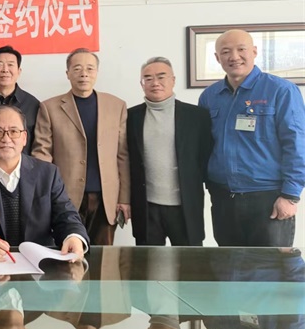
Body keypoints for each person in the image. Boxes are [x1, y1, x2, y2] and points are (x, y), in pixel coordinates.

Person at [198, 29, 305, 247]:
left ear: (254, 52)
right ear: (217, 58)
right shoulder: (209, 96)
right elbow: (204, 146)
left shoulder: (281, 90)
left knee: (270, 265)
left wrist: (290, 195)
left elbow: (297, 144)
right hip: (223, 198)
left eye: (241, 49)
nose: (234, 57)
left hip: (268, 198)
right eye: (226, 52)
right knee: (229, 264)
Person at [0, 105, 88, 262]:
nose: (6, 139)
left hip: (39, 266)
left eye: (13, 131)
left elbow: (66, 215)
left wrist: (73, 237)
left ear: (24, 137)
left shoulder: (48, 173)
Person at [32, 48, 130, 246]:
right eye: (77, 68)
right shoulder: (49, 107)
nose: (84, 73)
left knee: (103, 258)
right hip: (65, 196)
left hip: (106, 199)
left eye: (89, 68)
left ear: (97, 72)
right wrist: (45, 195)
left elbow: (123, 155)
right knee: (67, 255)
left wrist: (124, 198)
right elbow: (42, 153)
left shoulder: (116, 105)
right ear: (67, 73)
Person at [127, 57, 212, 246]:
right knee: (148, 261)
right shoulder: (130, 117)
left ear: (173, 80)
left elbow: (205, 157)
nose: (155, 83)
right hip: (147, 207)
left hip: (185, 207)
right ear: (141, 84)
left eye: (161, 77)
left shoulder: (197, 116)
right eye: (148, 78)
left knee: (189, 261)